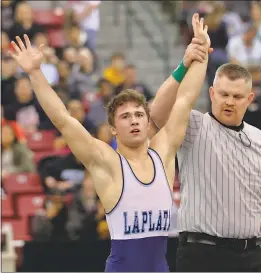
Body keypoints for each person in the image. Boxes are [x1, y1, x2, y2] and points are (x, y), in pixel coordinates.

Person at [8, 13, 210, 272]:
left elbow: (186, 99)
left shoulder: (164, 153)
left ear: (148, 122)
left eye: (139, 115)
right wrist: (35, 73)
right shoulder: (107, 163)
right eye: (126, 117)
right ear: (113, 129)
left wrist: (200, 51)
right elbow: (63, 119)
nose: (134, 121)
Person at [150, 28, 261, 273]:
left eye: (237, 96)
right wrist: (184, 66)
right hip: (201, 255)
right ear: (212, 93)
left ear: (249, 98)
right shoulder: (193, 125)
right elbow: (158, 113)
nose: (229, 101)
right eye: (223, 94)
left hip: (251, 254)